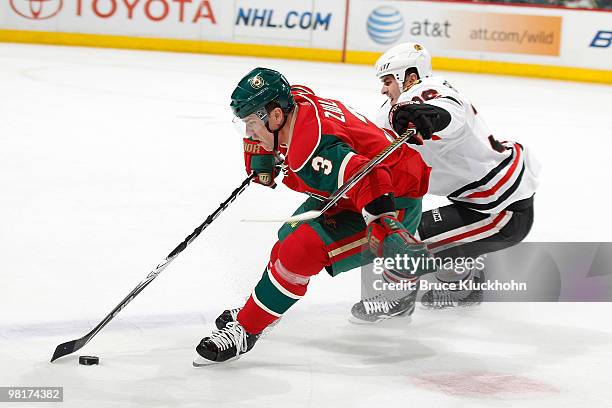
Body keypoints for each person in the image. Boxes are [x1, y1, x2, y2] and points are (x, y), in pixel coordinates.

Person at [194, 67, 433, 364]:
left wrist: (387, 228)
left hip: (391, 200)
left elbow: (367, 176)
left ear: (277, 116)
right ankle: (262, 309)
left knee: (302, 248)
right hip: (357, 190)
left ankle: (246, 329)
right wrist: (262, 156)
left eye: (252, 123)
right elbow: (292, 94)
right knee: (289, 234)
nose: (249, 132)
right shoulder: (295, 101)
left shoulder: (314, 147)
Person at [349, 42, 540, 323]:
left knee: (406, 239)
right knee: (423, 227)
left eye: (388, 81)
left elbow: (449, 113)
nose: (383, 89)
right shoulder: (393, 111)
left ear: (409, 77)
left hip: (501, 211)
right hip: (483, 201)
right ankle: (463, 285)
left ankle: (397, 301)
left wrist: (432, 117)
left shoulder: (430, 91)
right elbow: (373, 143)